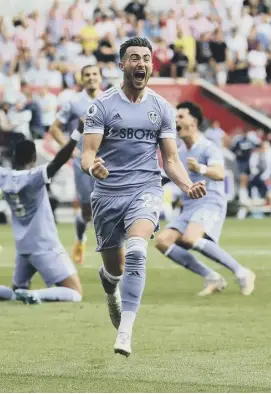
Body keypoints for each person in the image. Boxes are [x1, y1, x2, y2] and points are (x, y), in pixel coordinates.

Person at [81, 37, 207, 357]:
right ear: (122, 65)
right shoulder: (102, 106)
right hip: (108, 195)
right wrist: (92, 167)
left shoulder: (162, 108)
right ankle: (111, 289)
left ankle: (125, 332)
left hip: (146, 189)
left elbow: (171, 159)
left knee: (138, 250)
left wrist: (187, 185)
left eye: (146, 59)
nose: (141, 63)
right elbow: (87, 154)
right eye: (134, 58)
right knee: (114, 271)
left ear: (153, 65)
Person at [0, 133, 82, 305]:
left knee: (15, 291)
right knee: (75, 292)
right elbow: (59, 160)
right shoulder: (35, 176)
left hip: (23, 249)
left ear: (14, 157)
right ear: (34, 158)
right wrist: (76, 135)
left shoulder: (3, 176)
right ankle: (36, 295)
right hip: (45, 246)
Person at [156, 102, 256, 296]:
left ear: (194, 122)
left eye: (181, 117)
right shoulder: (180, 153)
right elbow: (164, 176)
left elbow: (219, 173)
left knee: (191, 238)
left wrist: (200, 168)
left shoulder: (209, 147)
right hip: (189, 207)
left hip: (210, 202)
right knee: (162, 241)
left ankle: (242, 272)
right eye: (175, 117)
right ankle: (212, 277)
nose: (176, 121)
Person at [49, 65, 103, 265]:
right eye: (87, 75)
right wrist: (70, 149)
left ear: (100, 77)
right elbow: (54, 129)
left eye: (94, 74)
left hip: (108, 161)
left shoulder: (112, 99)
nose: (91, 78)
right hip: (84, 164)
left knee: (113, 205)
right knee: (87, 210)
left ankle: (116, 247)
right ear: (81, 79)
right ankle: (80, 239)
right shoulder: (74, 102)